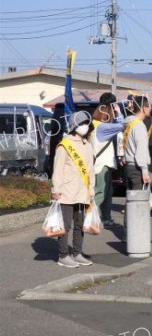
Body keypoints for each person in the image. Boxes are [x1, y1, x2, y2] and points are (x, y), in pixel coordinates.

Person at [51, 111, 96, 268]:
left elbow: (90, 170)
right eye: (82, 123)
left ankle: (77, 252)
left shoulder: (88, 145)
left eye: (86, 123)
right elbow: (57, 169)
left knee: (80, 224)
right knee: (65, 225)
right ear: (74, 125)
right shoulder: (64, 145)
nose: (85, 126)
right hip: (67, 191)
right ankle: (63, 255)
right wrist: (56, 189)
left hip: (83, 192)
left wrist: (91, 190)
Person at [91, 92, 124, 227]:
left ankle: (106, 218)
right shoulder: (103, 128)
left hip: (100, 163)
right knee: (100, 192)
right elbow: (122, 125)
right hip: (102, 164)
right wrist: (119, 113)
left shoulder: (94, 124)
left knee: (107, 192)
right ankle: (87, 216)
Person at [123, 95, 151, 189]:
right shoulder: (139, 126)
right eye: (149, 106)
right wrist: (145, 170)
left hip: (128, 166)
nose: (150, 109)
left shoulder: (128, 123)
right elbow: (141, 150)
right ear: (144, 108)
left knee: (131, 200)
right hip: (137, 169)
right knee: (138, 201)